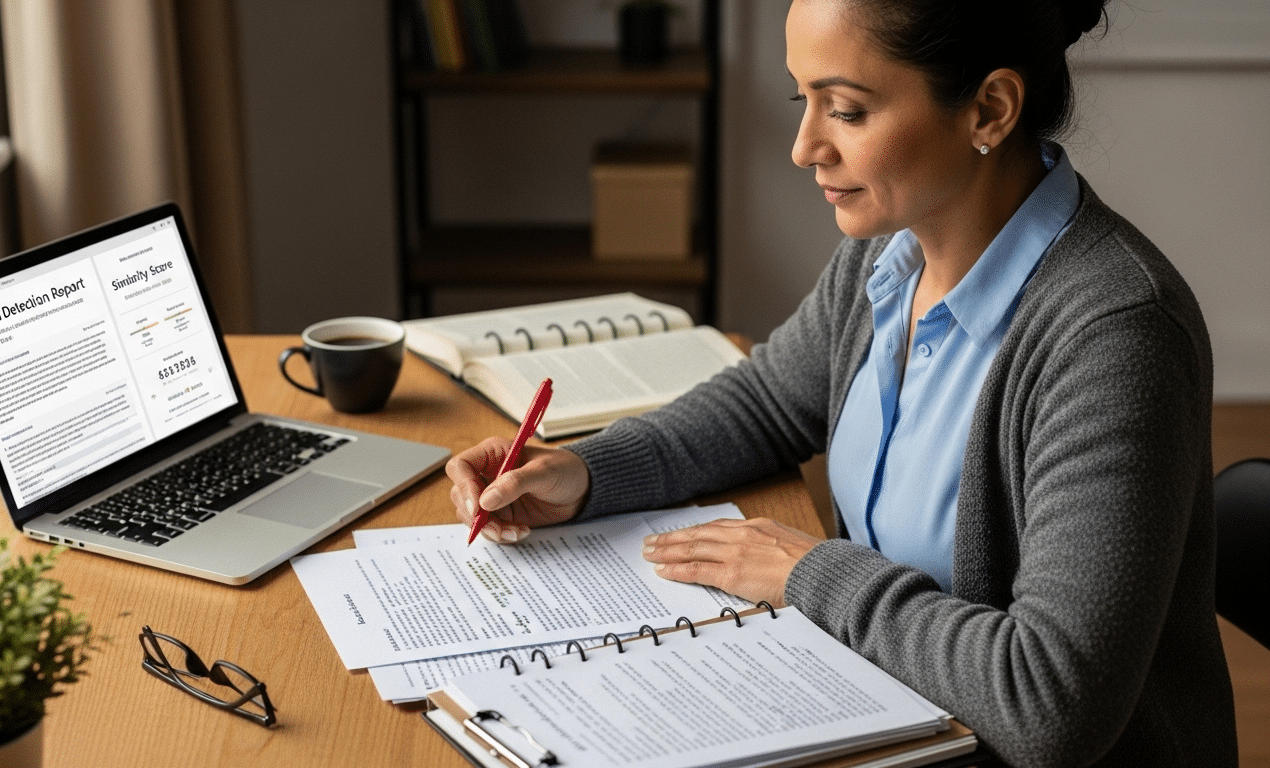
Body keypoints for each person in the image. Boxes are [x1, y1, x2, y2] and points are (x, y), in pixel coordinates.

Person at [445, 0, 1237, 764]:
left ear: (990, 110)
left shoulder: (1116, 335)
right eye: (805, 100)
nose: (804, 148)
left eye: (848, 111)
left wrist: (807, 574)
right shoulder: (888, 251)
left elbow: (1050, 703)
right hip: (887, 719)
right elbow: (767, 403)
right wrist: (586, 472)